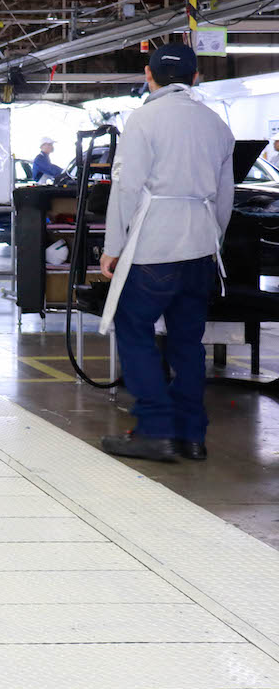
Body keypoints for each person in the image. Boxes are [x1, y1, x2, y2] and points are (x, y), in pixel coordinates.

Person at [97, 43, 235, 463]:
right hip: (201, 249)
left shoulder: (143, 120)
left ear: (148, 75)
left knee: (133, 328)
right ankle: (192, 436)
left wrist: (113, 247)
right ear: (195, 77)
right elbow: (225, 197)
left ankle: (155, 430)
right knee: (188, 343)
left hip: (153, 246)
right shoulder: (217, 125)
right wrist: (213, 243)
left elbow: (127, 187)